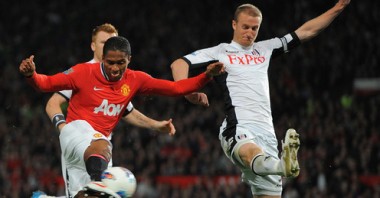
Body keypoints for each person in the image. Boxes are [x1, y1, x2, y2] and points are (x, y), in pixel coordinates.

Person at [171, 0, 350, 197]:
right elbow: (179, 63)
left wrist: (338, 8)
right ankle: (283, 165)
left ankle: (281, 164)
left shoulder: (265, 49)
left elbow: (306, 31)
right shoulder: (219, 52)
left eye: (254, 28)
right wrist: (187, 93)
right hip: (238, 127)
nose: (249, 32)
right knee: (250, 154)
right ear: (234, 24)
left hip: (267, 135)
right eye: (245, 27)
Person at [19, 36, 225, 197]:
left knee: (87, 195)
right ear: (102, 59)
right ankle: (100, 182)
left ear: (129, 60)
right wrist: (31, 75)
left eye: (121, 63)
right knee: (102, 145)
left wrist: (206, 75)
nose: (115, 68)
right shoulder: (82, 72)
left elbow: (176, 88)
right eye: (110, 62)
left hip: (96, 154)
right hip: (75, 133)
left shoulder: (136, 79)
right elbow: (45, 84)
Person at [39, 23, 177, 198]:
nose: (109, 45)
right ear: (93, 46)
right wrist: (64, 128)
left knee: (91, 195)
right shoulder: (83, 72)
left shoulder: (118, 77)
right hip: (80, 144)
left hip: (101, 150)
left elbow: (128, 111)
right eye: (104, 42)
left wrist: (156, 125)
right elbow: (52, 104)